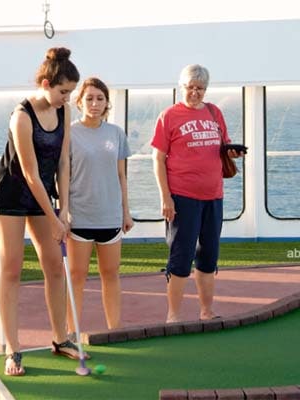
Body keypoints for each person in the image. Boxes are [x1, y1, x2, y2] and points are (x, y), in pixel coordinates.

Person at [0, 47, 78, 376]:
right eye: (63, 91)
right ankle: (13, 350)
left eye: (70, 93)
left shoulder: (64, 112)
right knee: (11, 269)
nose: (67, 98)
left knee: (54, 266)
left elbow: (63, 162)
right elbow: (29, 173)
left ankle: (61, 339)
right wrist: (52, 218)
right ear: (46, 83)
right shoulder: (22, 117)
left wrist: (64, 208)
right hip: (11, 195)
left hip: (43, 195)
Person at [152, 64, 242, 323]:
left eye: (200, 88)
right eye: (190, 87)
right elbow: (158, 158)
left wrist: (232, 152)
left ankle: (206, 311)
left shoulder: (214, 112)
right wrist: (165, 197)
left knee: (209, 256)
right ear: (182, 87)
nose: (195, 92)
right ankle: (173, 315)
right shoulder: (169, 116)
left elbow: (223, 146)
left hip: (214, 196)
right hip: (182, 197)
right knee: (181, 256)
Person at [65, 77, 133, 333]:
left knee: (111, 274)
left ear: (106, 103)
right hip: (79, 217)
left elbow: (121, 175)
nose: (95, 103)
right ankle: (71, 333)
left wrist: (126, 212)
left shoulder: (116, 133)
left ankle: (115, 330)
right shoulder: (69, 134)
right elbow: (63, 176)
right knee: (76, 277)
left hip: (110, 216)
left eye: (100, 98)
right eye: (90, 98)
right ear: (79, 102)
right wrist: (63, 212)